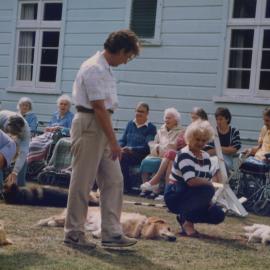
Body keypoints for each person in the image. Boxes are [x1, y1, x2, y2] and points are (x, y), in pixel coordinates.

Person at [64, 29, 140, 248]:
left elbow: (104, 109)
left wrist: (110, 139)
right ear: (121, 50)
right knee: (82, 182)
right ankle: (74, 233)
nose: (126, 61)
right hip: (90, 125)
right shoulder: (94, 68)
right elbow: (98, 107)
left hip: (101, 126)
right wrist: (114, 142)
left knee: (114, 180)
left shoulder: (105, 69)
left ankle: (111, 233)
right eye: (127, 56)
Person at [164, 120, 225, 237]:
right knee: (208, 189)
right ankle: (187, 222)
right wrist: (210, 185)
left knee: (218, 214)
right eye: (197, 139)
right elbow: (191, 181)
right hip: (176, 194)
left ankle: (184, 217)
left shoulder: (206, 156)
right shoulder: (184, 154)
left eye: (204, 140)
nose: (200, 143)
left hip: (192, 194)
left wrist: (208, 201)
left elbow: (203, 179)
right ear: (189, 137)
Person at [140, 107, 208, 198]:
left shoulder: (203, 130)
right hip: (182, 153)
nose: (192, 120)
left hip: (192, 155)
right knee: (171, 158)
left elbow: (191, 145)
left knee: (171, 154)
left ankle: (156, 181)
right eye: (192, 118)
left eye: (195, 118)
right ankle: (166, 192)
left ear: (201, 118)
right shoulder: (190, 128)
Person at [118, 102, 157, 193]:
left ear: (147, 113)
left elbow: (147, 147)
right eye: (137, 111)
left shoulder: (151, 128)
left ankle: (126, 187)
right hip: (126, 152)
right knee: (113, 154)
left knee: (123, 158)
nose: (139, 113)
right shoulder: (130, 124)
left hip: (141, 155)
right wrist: (118, 147)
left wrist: (132, 149)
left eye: (142, 111)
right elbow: (123, 140)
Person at [27, 94, 74, 166]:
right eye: (61, 104)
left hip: (60, 137)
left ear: (69, 106)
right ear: (58, 105)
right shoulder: (55, 114)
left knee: (45, 146)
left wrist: (60, 128)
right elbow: (50, 126)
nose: (63, 106)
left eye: (65, 104)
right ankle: (32, 162)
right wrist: (48, 128)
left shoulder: (71, 116)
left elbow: (71, 131)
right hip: (48, 135)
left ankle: (43, 163)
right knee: (33, 143)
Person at [204, 107, 241, 171]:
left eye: (221, 119)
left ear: (227, 119)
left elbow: (234, 149)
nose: (218, 122)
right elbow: (207, 151)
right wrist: (226, 149)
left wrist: (217, 148)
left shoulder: (234, 131)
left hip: (227, 160)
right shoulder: (212, 131)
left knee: (223, 166)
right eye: (217, 119)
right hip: (213, 158)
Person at [0, 110, 31, 187]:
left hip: (17, 138)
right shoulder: (1, 116)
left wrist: (15, 172)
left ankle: (20, 186)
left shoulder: (25, 132)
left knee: (23, 159)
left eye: (13, 134)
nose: (10, 135)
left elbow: (23, 153)